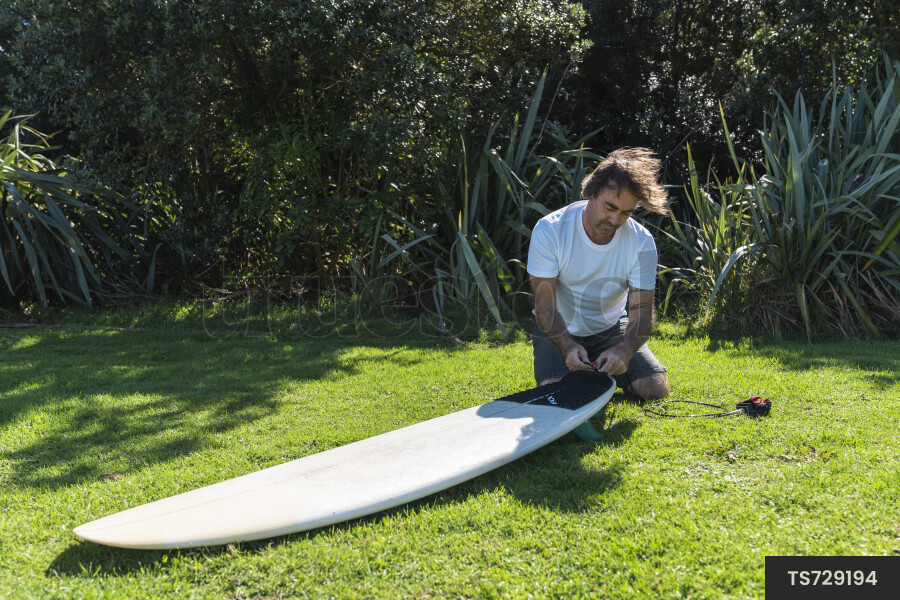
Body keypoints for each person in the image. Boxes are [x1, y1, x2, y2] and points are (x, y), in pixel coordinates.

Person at [527, 147, 670, 399]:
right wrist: (569, 346)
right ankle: (585, 374)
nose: (615, 220)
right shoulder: (549, 230)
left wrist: (624, 351)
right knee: (556, 395)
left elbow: (642, 313)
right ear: (591, 193)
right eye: (610, 207)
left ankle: (601, 372)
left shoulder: (642, 242)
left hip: (612, 328)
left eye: (626, 212)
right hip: (558, 329)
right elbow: (545, 306)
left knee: (655, 389)